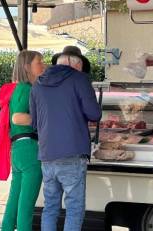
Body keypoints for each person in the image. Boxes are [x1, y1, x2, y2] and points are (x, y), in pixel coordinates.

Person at [30, 51, 101, 230]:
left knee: (50, 208)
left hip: (46, 154)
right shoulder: (80, 79)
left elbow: (35, 123)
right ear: (74, 65)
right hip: (72, 153)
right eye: (80, 68)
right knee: (74, 209)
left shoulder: (37, 83)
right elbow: (94, 113)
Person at [0, 50, 45, 231]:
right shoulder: (28, 89)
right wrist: (45, 120)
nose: (43, 65)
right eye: (39, 62)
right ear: (27, 67)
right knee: (26, 208)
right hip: (29, 150)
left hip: (18, 149)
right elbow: (17, 118)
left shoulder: (18, 89)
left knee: (14, 202)